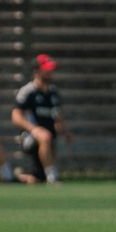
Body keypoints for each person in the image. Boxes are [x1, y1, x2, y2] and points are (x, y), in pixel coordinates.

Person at [11, 54, 72, 184]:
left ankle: (14, 177)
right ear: (37, 71)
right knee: (45, 136)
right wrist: (35, 129)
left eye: (51, 69)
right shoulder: (28, 91)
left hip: (49, 140)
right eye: (47, 69)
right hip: (30, 137)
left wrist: (65, 132)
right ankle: (52, 177)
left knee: (37, 179)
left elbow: (57, 115)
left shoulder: (53, 92)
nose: (50, 72)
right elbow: (16, 116)